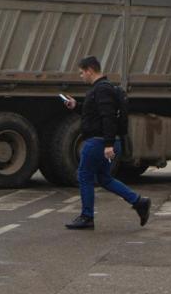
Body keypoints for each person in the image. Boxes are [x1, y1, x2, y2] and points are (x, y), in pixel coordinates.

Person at [60, 56, 151, 230]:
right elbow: (94, 114)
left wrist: (108, 144)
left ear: (90, 70)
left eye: (81, 73)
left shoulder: (101, 89)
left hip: (98, 142)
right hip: (103, 141)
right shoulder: (101, 89)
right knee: (104, 178)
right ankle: (139, 202)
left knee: (84, 175)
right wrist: (76, 106)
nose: (81, 76)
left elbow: (108, 117)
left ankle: (87, 217)